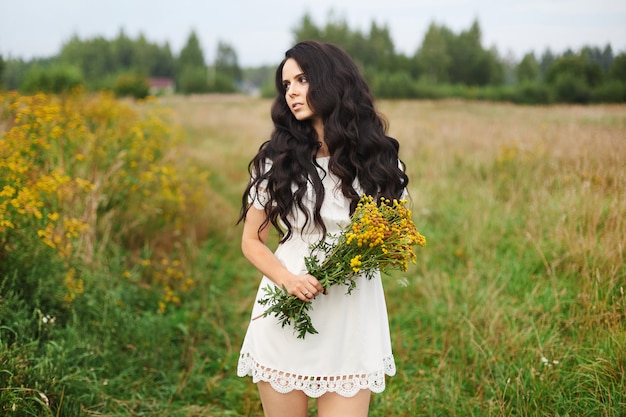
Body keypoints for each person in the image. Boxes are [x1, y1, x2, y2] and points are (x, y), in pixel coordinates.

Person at [236, 40, 409, 417]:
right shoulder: (276, 159)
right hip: (286, 307)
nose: (292, 92)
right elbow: (252, 241)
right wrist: (288, 280)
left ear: (331, 81)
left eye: (302, 79)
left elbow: (393, 230)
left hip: (351, 314)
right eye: (286, 85)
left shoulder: (376, 158)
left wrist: (358, 254)